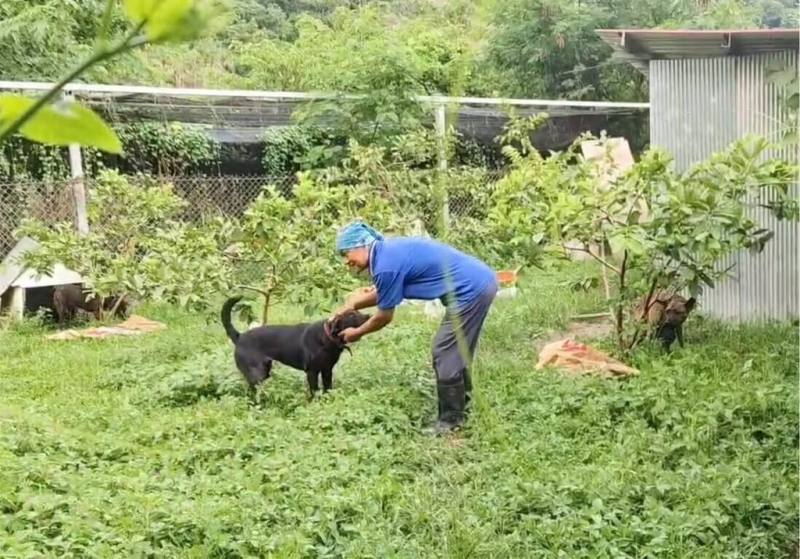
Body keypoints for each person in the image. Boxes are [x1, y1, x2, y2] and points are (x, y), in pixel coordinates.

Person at [332, 220, 497, 434]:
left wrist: (357, 332)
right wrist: (352, 304)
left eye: (347, 254)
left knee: (444, 351)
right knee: (457, 350)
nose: (347, 261)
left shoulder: (385, 266)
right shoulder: (386, 254)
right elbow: (387, 292)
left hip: (471, 290)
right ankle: (464, 408)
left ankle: (451, 421)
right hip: (479, 282)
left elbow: (384, 316)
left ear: (361, 245)